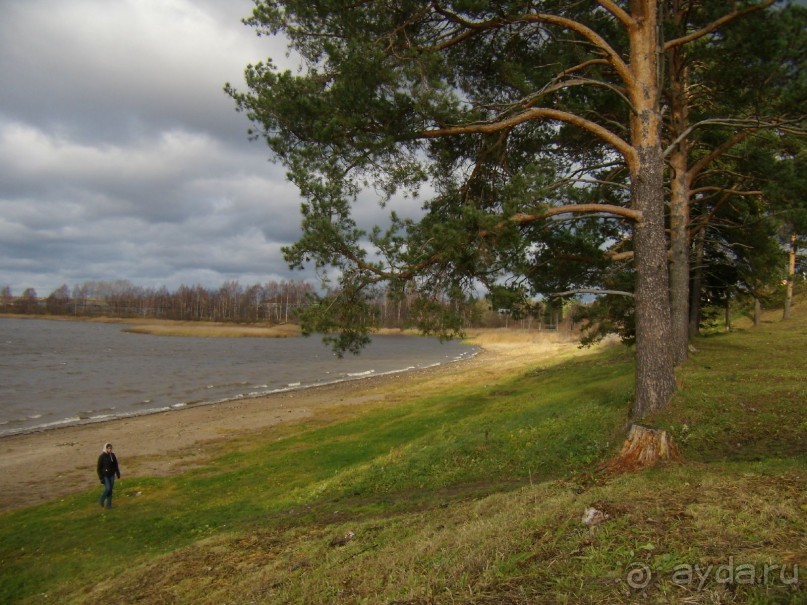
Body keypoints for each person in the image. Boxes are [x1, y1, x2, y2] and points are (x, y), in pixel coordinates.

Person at [97, 442, 121, 509]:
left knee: (110, 490)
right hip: (105, 476)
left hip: (112, 475)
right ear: (106, 448)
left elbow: (116, 465)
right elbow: (98, 468)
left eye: (110, 448)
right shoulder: (101, 457)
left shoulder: (112, 456)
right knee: (108, 488)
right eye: (108, 448)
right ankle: (101, 499)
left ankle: (108, 505)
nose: (110, 449)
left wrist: (118, 473)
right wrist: (101, 478)